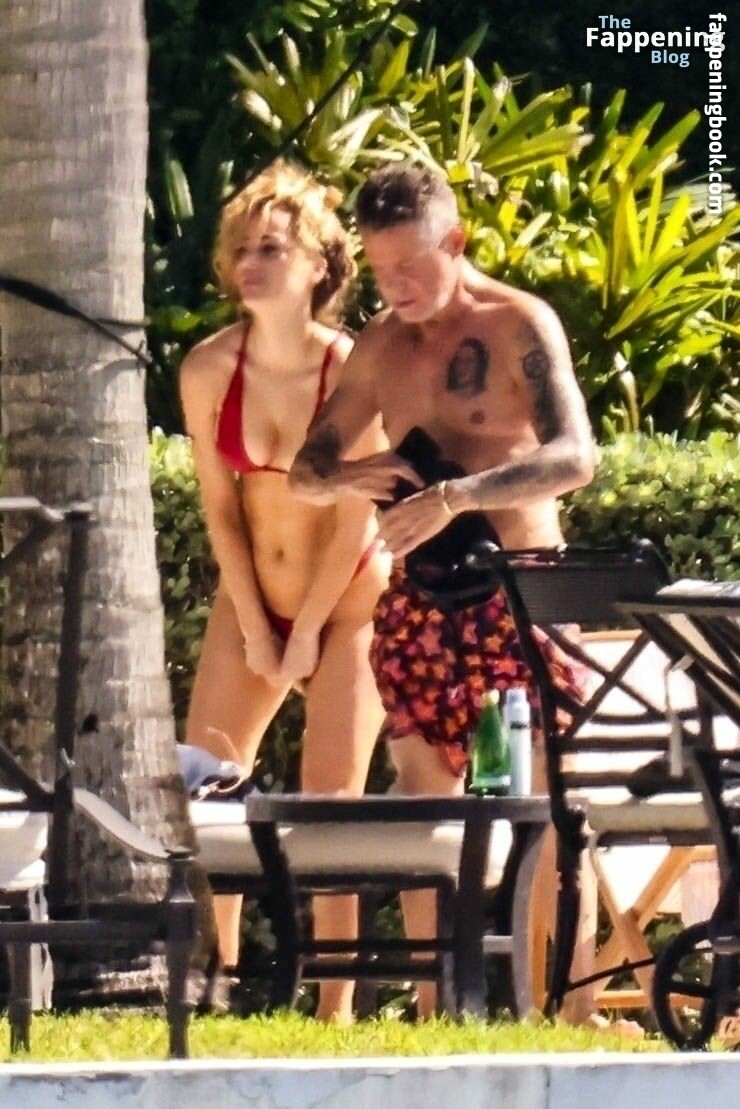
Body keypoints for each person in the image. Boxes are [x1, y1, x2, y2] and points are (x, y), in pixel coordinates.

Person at [289, 162, 595, 1016]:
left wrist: (457, 496)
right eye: (381, 269)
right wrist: (349, 474)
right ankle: (437, 1009)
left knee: (543, 809)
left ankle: (566, 1007)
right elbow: (305, 472)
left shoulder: (517, 324)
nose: (397, 287)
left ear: (455, 242)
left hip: (518, 594)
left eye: (412, 267)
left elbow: (577, 457)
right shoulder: (381, 345)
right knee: (430, 806)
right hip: (422, 603)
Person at [179, 161, 390, 1022]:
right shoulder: (207, 369)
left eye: (271, 249)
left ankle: (334, 1009)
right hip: (253, 597)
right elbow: (220, 509)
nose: (251, 264)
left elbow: (355, 515)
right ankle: (215, 987)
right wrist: (260, 628)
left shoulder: (352, 369)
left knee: (332, 804)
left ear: (318, 266)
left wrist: (305, 632)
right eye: (242, 250)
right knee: (205, 790)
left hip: (347, 600)